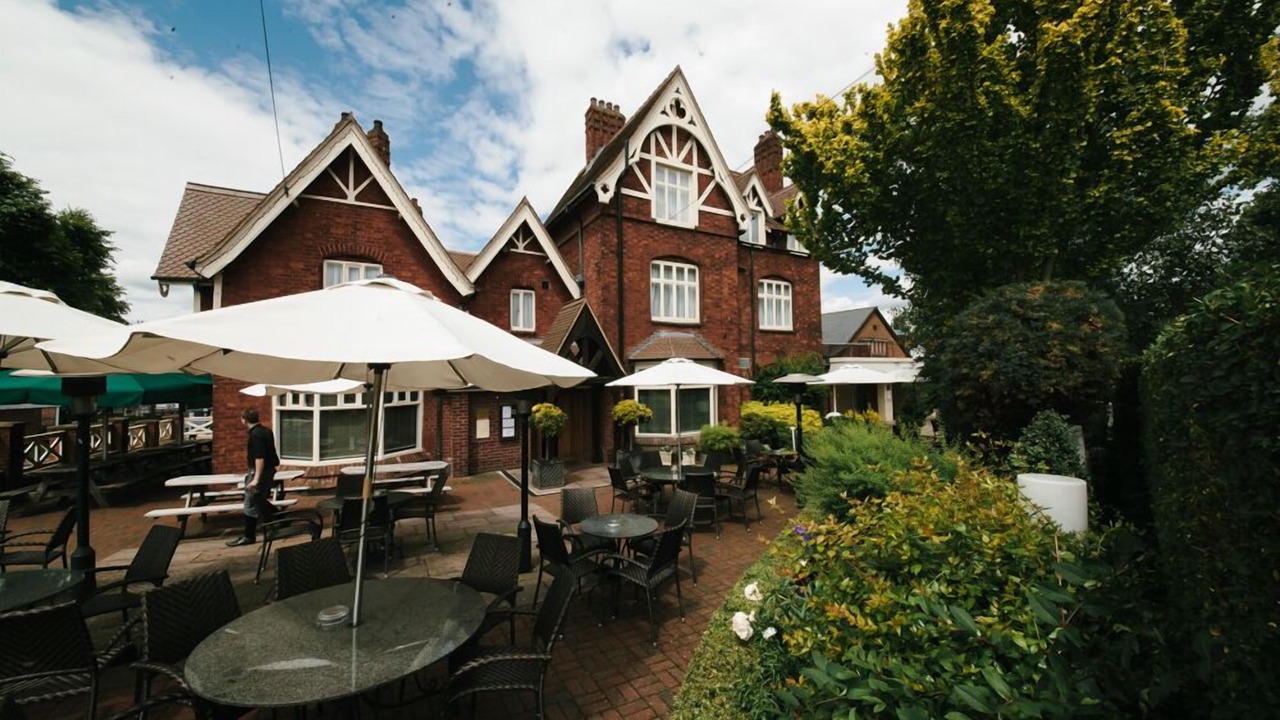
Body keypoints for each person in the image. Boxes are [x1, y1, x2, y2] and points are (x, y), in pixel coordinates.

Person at [226, 408, 280, 547]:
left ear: (244, 419)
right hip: (268, 470)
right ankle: (282, 519)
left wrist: (256, 478)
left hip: (260, 472)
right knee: (259, 500)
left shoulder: (255, 435)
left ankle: (249, 536)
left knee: (250, 503)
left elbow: (259, 458)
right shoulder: (266, 431)